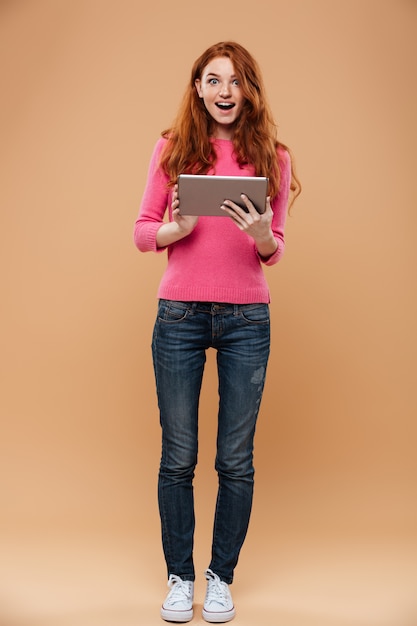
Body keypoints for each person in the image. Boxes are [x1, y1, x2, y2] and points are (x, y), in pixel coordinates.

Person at [133, 41, 300, 623]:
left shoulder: (272, 156)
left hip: (247, 320)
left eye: (236, 81)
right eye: (214, 79)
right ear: (198, 88)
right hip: (179, 315)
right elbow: (141, 232)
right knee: (178, 456)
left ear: (249, 90)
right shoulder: (173, 149)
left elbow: (274, 251)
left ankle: (219, 577)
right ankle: (179, 577)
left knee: (236, 459)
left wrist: (260, 235)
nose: (225, 91)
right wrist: (178, 226)